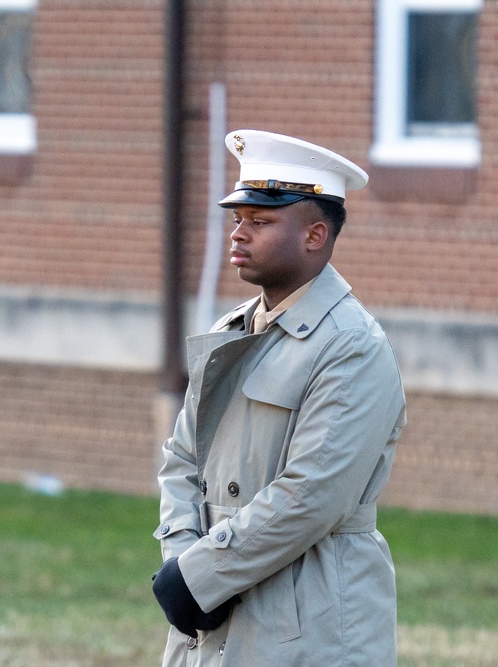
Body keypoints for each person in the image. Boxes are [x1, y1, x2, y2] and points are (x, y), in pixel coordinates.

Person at [152, 129, 407, 665]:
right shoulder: (233, 332)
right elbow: (181, 460)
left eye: (261, 222)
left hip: (310, 625)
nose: (238, 234)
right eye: (237, 219)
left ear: (315, 235)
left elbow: (311, 497)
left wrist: (201, 577)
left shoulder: (352, 347)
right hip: (212, 622)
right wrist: (182, 566)